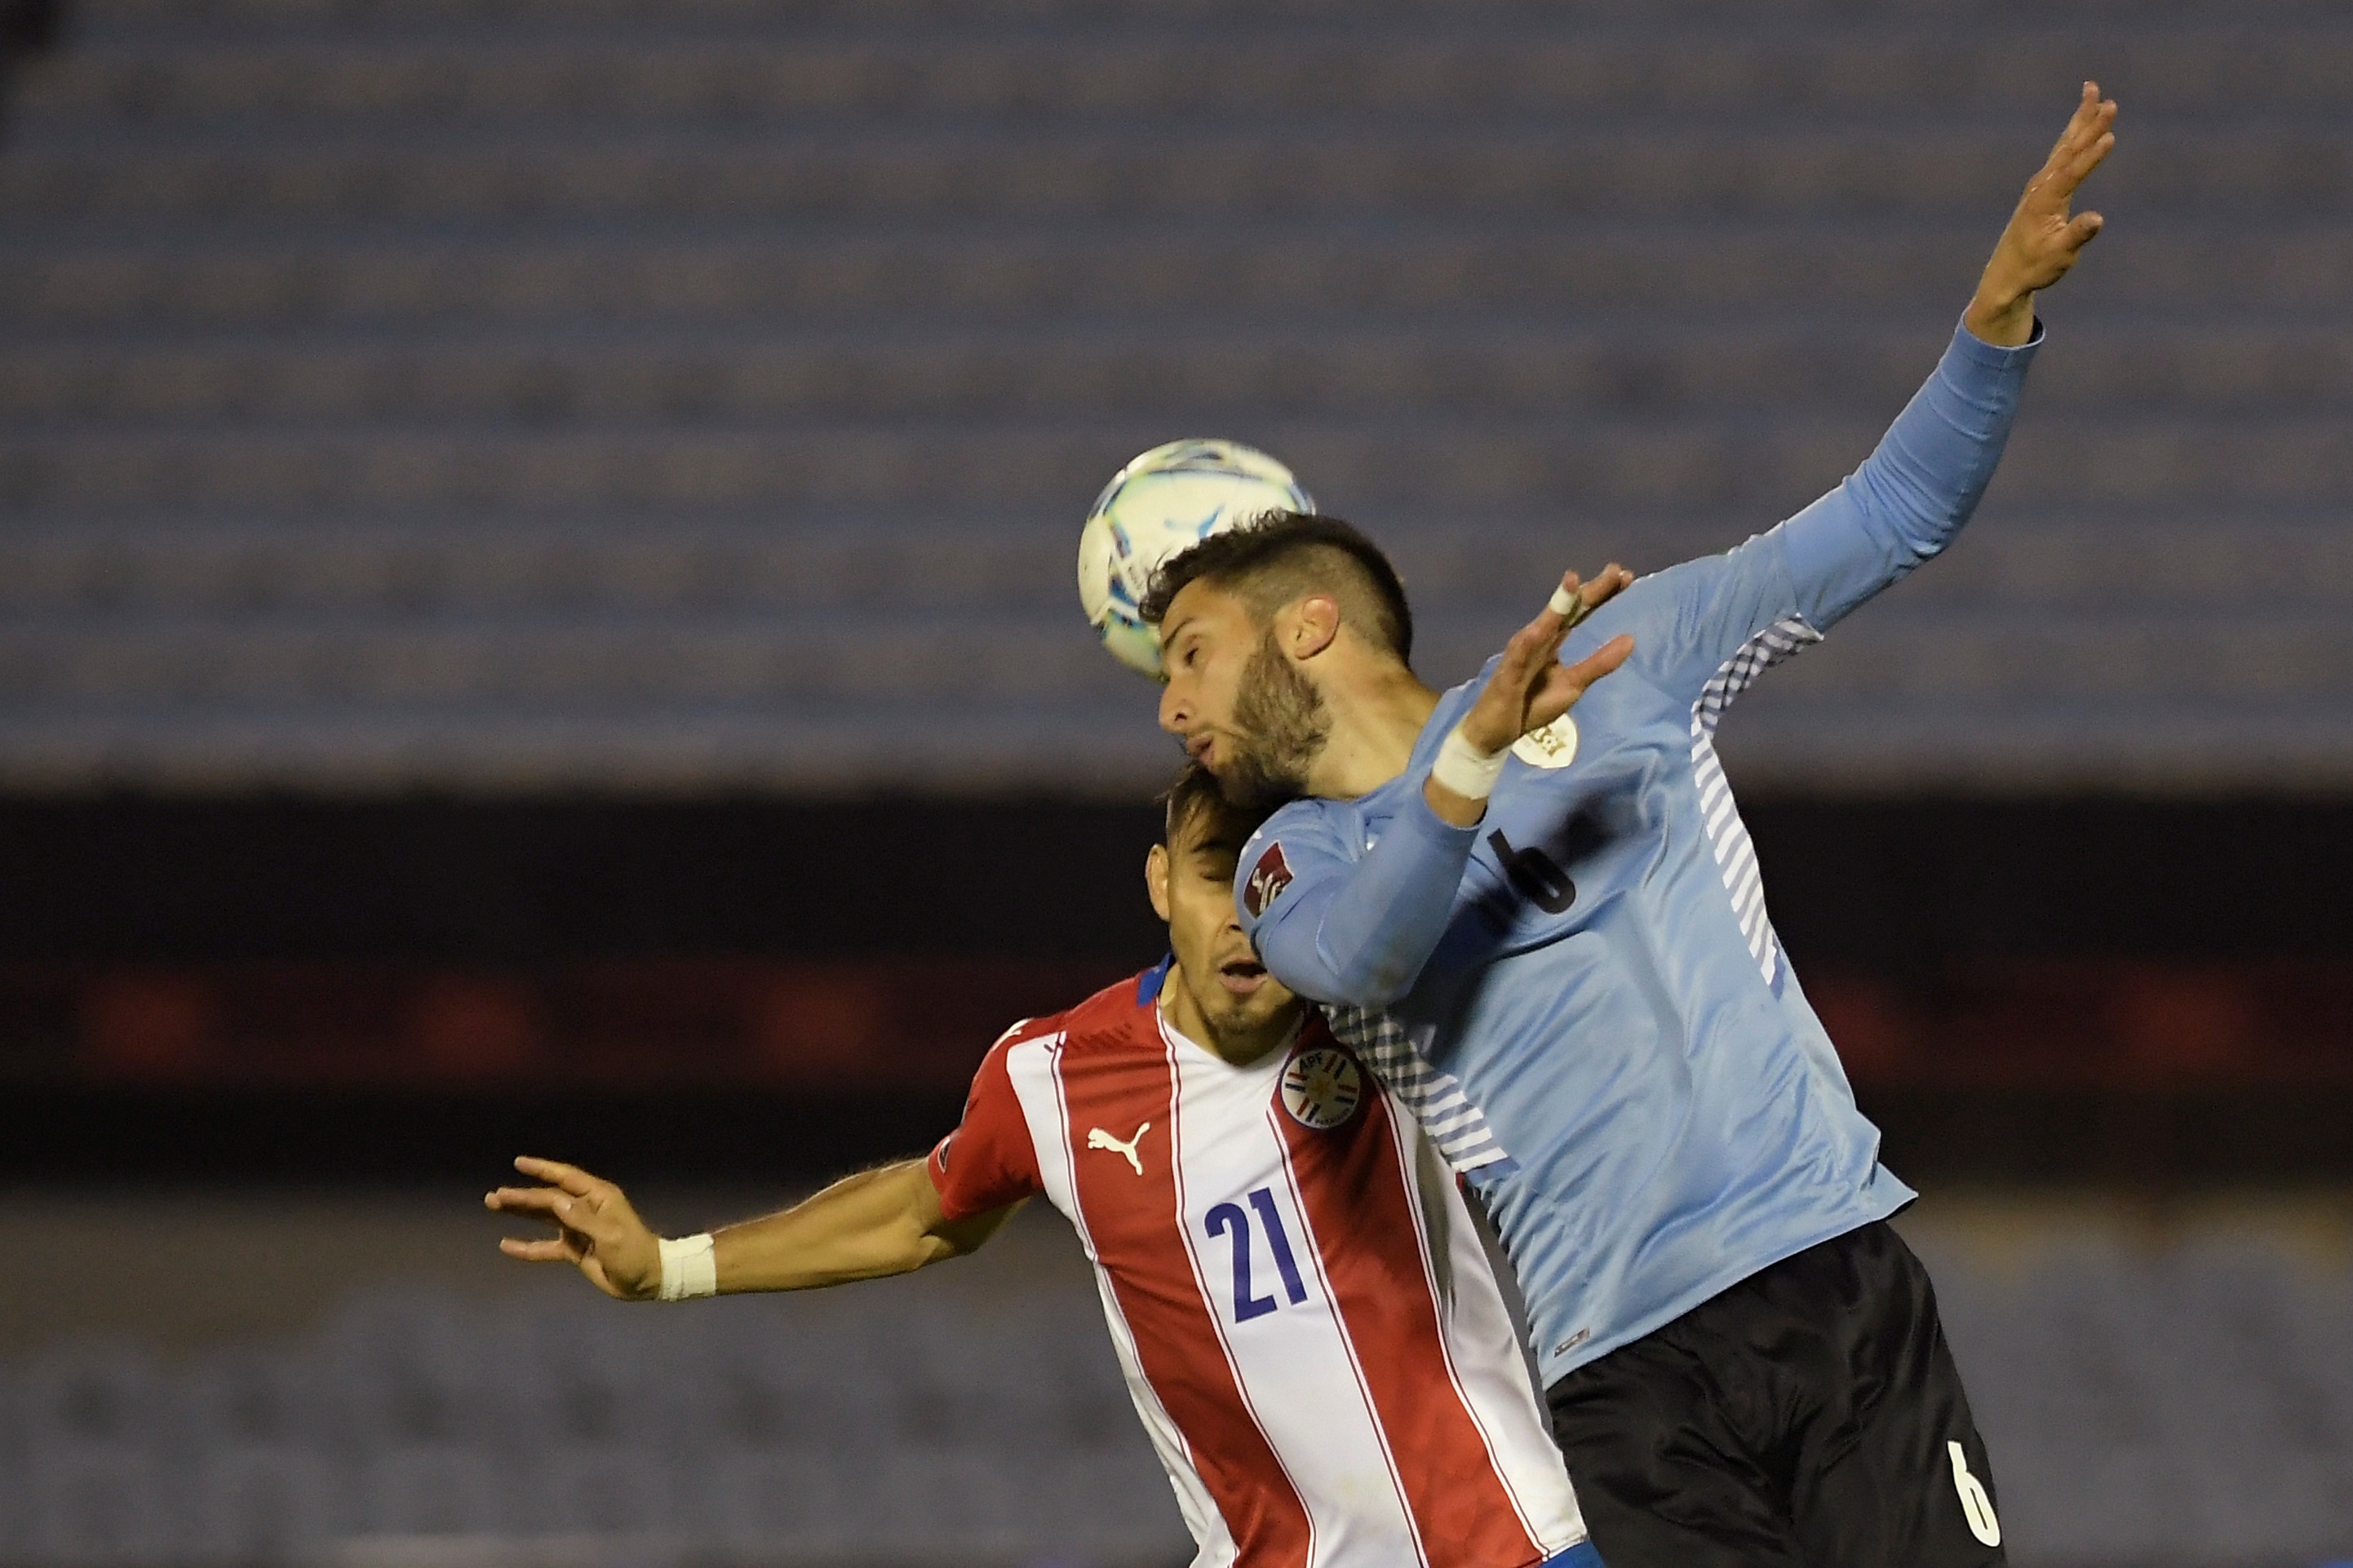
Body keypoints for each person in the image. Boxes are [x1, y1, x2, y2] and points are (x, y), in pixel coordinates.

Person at [1142, 84, 2119, 1568]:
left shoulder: (1635, 660)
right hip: (1623, 1372)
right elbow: (1380, 957)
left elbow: (1891, 513)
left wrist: (1992, 323)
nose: (1170, 710)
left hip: (1828, 1267)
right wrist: (1467, 758)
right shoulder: (1292, 865)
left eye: (1191, 655)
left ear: (1311, 626)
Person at [485, 764, 1602, 1568]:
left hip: (1514, 1542)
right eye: (1224, 873)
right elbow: (928, 1210)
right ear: (1163, 881)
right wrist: (668, 1265)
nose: (1255, 913)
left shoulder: (1392, 1007)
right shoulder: (1051, 1076)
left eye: (1288, 878)